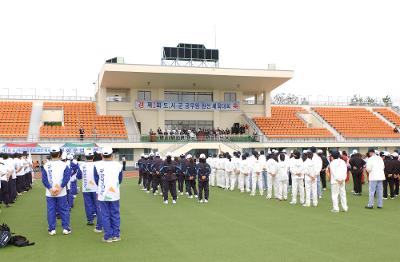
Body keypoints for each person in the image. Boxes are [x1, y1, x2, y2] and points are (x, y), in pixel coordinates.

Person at [94, 147, 123, 243]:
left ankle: (108, 236)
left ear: (102, 155)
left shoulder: (97, 165)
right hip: (114, 193)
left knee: (105, 215)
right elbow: (120, 179)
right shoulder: (118, 165)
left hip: (102, 194)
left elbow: (96, 179)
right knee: (115, 214)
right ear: (112, 155)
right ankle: (116, 235)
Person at [41, 146, 71, 235]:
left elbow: (44, 179)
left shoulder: (46, 165)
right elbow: (66, 178)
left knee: (51, 210)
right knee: (64, 210)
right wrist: (61, 188)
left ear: (50, 154)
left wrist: (50, 189)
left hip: (49, 193)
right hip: (62, 192)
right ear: (59, 154)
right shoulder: (64, 165)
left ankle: (52, 229)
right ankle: (66, 228)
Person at [77, 149, 102, 233]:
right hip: (96, 188)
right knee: (98, 205)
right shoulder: (97, 164)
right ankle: (99, 222)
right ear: (93, 157)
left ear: (85, 157)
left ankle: (90, 220)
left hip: (86, 188)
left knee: (88, 204)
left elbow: (79, 177)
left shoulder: (82, 165)